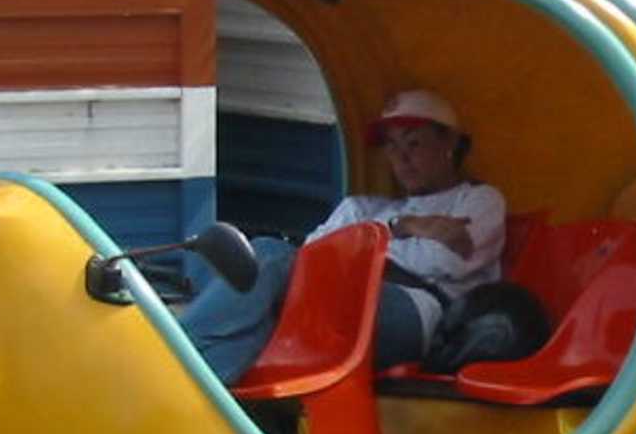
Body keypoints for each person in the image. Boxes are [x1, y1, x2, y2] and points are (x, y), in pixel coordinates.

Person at [179, 88, 506, 383]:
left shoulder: (479, 200)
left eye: (414, 143)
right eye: (392, 146)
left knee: (268, 258)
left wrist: (360, 249)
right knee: (259, 308)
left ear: (448, 143)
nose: (401, 157)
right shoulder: (365, 208)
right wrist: (404, 227)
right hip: (346, 299)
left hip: (420, 313)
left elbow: (448, 261)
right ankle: (199, 397)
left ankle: (175, 362)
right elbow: (313, 254)